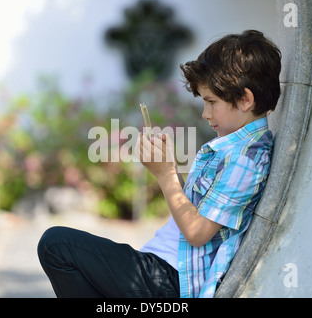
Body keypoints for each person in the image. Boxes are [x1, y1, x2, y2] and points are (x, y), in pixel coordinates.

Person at [37, 29, 281, 298]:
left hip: (172, 281)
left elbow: (198, 232)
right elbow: (199, 213)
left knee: (55, 245)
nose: (205, 113)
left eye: (212, 102)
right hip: (163, 271)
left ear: (245, 99)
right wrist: (170, 169)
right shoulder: (236, 147)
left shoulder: (246, 158)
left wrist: (166, 175)